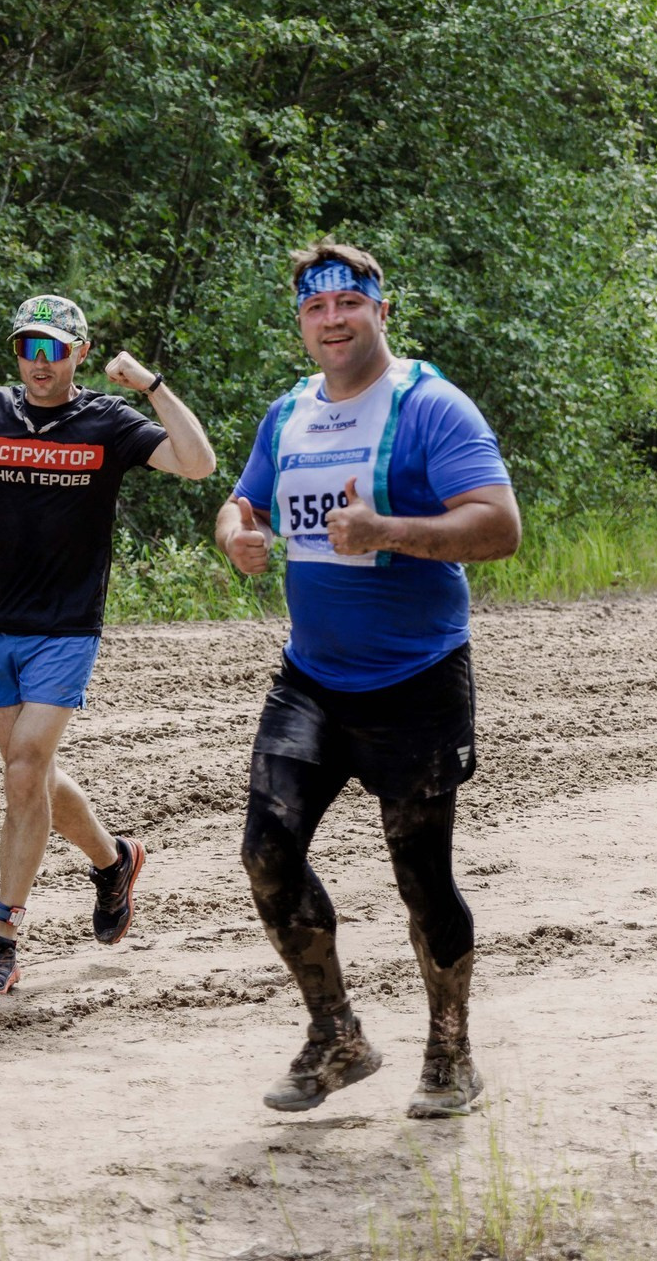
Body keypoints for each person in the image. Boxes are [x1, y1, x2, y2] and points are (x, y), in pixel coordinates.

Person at [214, 242, 521, 1118]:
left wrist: (388, 530)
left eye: (350, 302)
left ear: (382, 311)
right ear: (302, 323)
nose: (334, 319)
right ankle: (336, 1034)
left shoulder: (430, 407)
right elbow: (245, 502)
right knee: (266, 854)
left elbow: (501, 527)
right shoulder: (290, 413)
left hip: (416, 678)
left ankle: (451, 1053)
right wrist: (234, 532)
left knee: (421, 878)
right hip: (312, 679)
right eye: (317, 308)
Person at [0, 293, 218, 999]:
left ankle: (1, 937)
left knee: (25, 768)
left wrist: (151, 385)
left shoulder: (107, 423)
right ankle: (114, 860)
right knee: (29, 776)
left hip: (66, 628)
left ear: (78, 354)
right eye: (29, 347)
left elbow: (198, 463)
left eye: (54, 348)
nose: (39, 361)